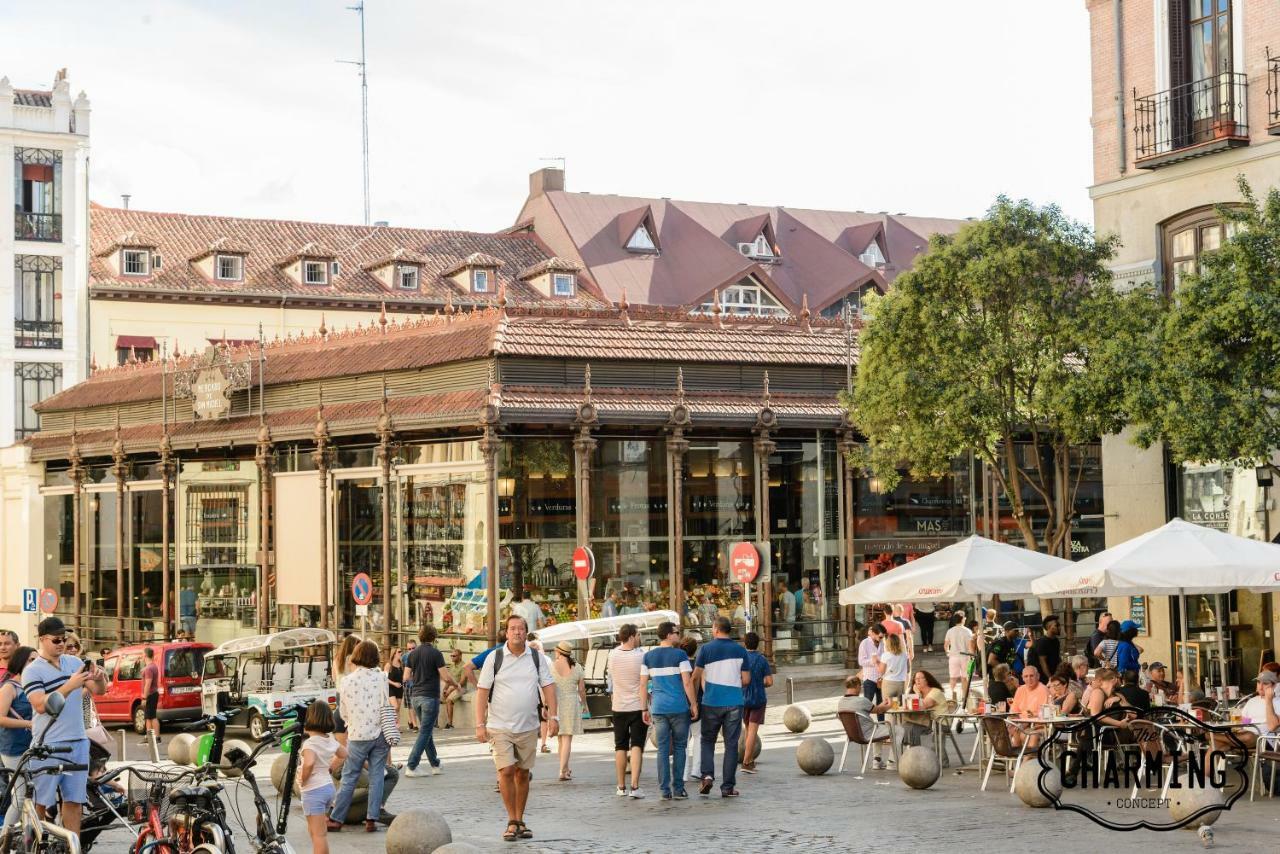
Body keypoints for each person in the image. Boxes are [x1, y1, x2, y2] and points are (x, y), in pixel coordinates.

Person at [475, 614, 558, 842]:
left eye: (521, 629)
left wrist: (554, 716)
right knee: (506, 771)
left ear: (526, 632)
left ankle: (520, 820)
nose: (517, 632)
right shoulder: (495, 657)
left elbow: (549, 686)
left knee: (523, 773)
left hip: (529, 725)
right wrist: (480, 724)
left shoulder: (536, 658)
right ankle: (511, 820)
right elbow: (482, 691)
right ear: (506, 632)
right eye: (512, 629)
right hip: (499, 725)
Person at [22, 616, 106, 835]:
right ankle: (36, 845)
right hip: (48, 744)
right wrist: (69, 685)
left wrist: (99, 678)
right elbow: (41, 705)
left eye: (64, 640)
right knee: (42, 802)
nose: (62, 644)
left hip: (77, 741)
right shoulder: (32, 670)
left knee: (74, 801)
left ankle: (73, 845)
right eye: (56, 640)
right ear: (42, 640)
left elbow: (99, 691)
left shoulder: (75, 663)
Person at [327, 640, 392, 833]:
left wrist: (353, 722)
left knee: (349, 777)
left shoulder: (347, 681)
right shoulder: (382, 677)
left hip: (358, 735)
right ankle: (371, 819)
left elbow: (343, 712)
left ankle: (337, 819)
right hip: (380, 733)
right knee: (377, 775)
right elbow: (385, 703)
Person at [692, 616, 749, 798]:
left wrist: (693, 700)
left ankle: (707, 775)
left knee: (707, 740)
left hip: (711, 702)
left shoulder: (706, 650)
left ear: (716, 629)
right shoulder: (740, 651)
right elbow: (746, 679)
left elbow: (695, 676)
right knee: (731, 745)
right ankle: (728, 787)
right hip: (734, 702)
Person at [640, 621, 697, 799]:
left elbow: (642, 684)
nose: (678, 635)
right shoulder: (680, 655)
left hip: (658, 708)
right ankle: (678, 788)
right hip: (679, 707)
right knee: (680, 747)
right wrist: (693, 703)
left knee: (663, 749)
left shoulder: (648, 657)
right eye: (676, 632)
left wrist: (644, 708)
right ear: (668, 635)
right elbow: (687, 682)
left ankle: (665, 790)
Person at [404, 624, 459, 778]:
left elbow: (406, 677)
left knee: (426, 731)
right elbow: (446, 676)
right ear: (434, 637)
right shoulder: (436, 654)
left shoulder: (412, 655)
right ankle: (412, 765)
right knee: (425, 732)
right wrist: (456, 684)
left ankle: (435, 764)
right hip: (430, 697)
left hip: (416, 697)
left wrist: (418, 678)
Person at [300, 701, 346, 854]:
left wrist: (303, 779)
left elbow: (309, 763)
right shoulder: (329, 739)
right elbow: (344, 755)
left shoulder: (309, 744)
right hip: (327, 788)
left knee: (319, 835)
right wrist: (330, 768)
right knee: (315, 831)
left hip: (314, 791)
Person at [607, 622, 648, 798]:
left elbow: (610, 679)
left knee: (620, 746)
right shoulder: (641, 656)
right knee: (637, 745)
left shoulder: (612, 655)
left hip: (619, 706)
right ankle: (635, 787)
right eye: (638, 635)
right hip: (638, 706)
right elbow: (644, 681)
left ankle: (621, 786)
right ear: (631, 636)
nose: (639, 638)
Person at [0, 646, 35, 824]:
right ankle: (5, 838)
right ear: (21, 662)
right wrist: (28, 723)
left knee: (33, 795)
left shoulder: (34, 686)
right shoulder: (10, 687)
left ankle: (27, 838)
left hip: (33, 747)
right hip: (13, 748)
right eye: (31, 660)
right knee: (22, 796)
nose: (36, 664)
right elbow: (0, 718)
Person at [836, 676, 890, 769]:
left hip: (853, 735)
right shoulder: (862, 701)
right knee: (897, 730)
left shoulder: (841, 702)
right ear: (857, 686)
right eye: (860, 686)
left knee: (878, 728)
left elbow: (876, 709)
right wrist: (890, 704)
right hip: (868, 734)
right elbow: (879, 710)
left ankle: (877, 760)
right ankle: (892, 761)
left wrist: (882, 705)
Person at [550, 642, 585, 782]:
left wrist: (546, 706)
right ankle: (563, 770)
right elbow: (581, 689)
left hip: (556, 703)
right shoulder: (577, 667)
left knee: (560, 739)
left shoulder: (551, 666)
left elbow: (547, 687)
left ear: (558, 652)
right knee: (567, 739)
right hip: (571, 703)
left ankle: (564, 768)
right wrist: (585, 704)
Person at [740, 631, 772, 774]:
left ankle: (750, 760)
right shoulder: (762, 659)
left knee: (747, 728)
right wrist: (761, 682)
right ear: (757, 643)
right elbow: (769, 681)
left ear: (744, 643)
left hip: (742, 698)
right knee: (752, 731)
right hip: (758, 698)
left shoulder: (741, 658)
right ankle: (746, 763)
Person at [900, 670, 946, 749]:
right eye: (916, 679)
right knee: (906, 726)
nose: (917, 680)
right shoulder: (920, 694)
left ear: (927, 680)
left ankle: (918, 751)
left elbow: (922, 706)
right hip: (927, 722)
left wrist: (917, 693)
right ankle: (914, 752)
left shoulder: (935, 692)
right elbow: (910, 705)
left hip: (940, 722)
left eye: (920, 678)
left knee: (913, 728)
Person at [1008, 665, 1049, 750]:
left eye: (1031, 676)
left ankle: (1022, 761)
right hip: (1021, 725)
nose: (1029, 679)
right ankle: (1011, 756)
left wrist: (1024, 723)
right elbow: (1013, 711)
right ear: (1022, 678)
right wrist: (1017, 723)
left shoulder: (1043, 690)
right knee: (1004, 731)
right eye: (1026, 676)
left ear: (1038, 676)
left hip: (1037, 726)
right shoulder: (1020, 690)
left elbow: (1044, 716)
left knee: (1027, 735)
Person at [681, 635, 704, 783]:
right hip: (698, 703)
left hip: (681, 704)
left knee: (682, 741)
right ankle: (696, 769)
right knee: (698, 737)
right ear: (695, 650)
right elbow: (703, 686)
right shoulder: (698, 665)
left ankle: (682, 773)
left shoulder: (679, 665)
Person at [332, 634, 360, 745]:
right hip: (352, 695)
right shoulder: (353, 659)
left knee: (342, 721)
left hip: (339, 694)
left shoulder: (337, 659)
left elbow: (334, 678)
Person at [878, 631, 910, 709]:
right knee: (900, 707)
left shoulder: (885, 655)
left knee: (888, 707)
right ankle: (899, 721)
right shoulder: (904, 655)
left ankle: (890, 721)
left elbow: (881, 671)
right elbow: (908, 669)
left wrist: (876, 662)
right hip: (901, 683)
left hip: (888, 683)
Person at [943, 612, 972, 698]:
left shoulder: (950, 631)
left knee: (953, 677)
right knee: (964, 678)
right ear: (963, 619)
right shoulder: (968, 631)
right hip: (965, 656)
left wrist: (948, 652)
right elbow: (970, 646)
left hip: (953, 656)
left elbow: (946, 645)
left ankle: (953, 695)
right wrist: (971, 657)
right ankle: (965, 696)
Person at [857, 624, 885, 708]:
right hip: (869, 678)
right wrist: (872, 661)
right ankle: (864, 720)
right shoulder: (864, 643)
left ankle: (882, 721)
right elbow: (861, 661)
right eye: (880, 637)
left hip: (881, 678)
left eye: (882, 637)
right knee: (867, 704)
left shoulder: (882, 643)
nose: (881, 639)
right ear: (873, 633)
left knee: (881, 704)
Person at [139, 647, 161, 746]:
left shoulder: (148, 669)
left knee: (152, 717)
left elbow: (148, 684)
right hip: (153, 693)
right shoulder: (153, 666)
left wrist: (144, 697)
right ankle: (148, 737)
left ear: (145, 655)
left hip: (150, 694)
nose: (141, 656)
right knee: (148, 717)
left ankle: (156, 737)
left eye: (142, 654)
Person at [442, 648, 467, 728]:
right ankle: (435, 724)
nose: (452, 657)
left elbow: (462, 682)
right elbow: (448, 679)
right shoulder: (452, 666)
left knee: (449, 700)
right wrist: (445, 689)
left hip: (461, 688)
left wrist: (452, 688)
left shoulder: (464, 666)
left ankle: (450, 723)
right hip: (452, 687)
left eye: (454, 656)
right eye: (451, 656)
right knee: (438, 697)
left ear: (460, 656)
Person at [1033, 615, 1061, 682]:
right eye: (1057, 625)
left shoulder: (1056, 641)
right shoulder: (1042, 642)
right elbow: (1043, 663)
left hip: (1054, 676)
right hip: (1044, 679)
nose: (1060, 628)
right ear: (1049, 627)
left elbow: (1057, 658)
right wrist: (1050, 678)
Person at [385, 647, 404, 726]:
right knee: (395, 707)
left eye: (401, 652)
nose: (401, 653)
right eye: (399, 652)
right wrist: (394, 683)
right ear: (394, 654)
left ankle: (397, 726)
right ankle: (391, 725)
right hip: (391, 688)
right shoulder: (388, 665)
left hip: (400, 688)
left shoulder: (402, 665)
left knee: (398, 708)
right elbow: (385, 679)